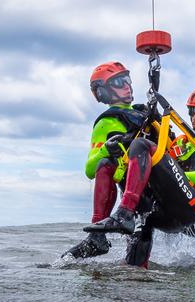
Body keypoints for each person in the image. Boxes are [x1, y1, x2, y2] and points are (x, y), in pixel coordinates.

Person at [85, 86, 195, 271]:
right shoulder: (183, 140)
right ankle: (129, 273)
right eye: (191, 111)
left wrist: (177, 177)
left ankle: (124, 213)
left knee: (142, 145)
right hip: (170, 208)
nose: (194, 117)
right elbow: (163, 163)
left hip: (193, 203)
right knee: (141, 213)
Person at [63, 61, 148, 259]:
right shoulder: (105, 123)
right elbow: (90, 169)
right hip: (134, 197)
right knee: (135, 267)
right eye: (119, 82)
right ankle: (96, 236)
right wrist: (105, 150)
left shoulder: (143, 112)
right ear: (103, 92)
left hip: (153, 188)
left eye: (127, 80)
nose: (127, 85)